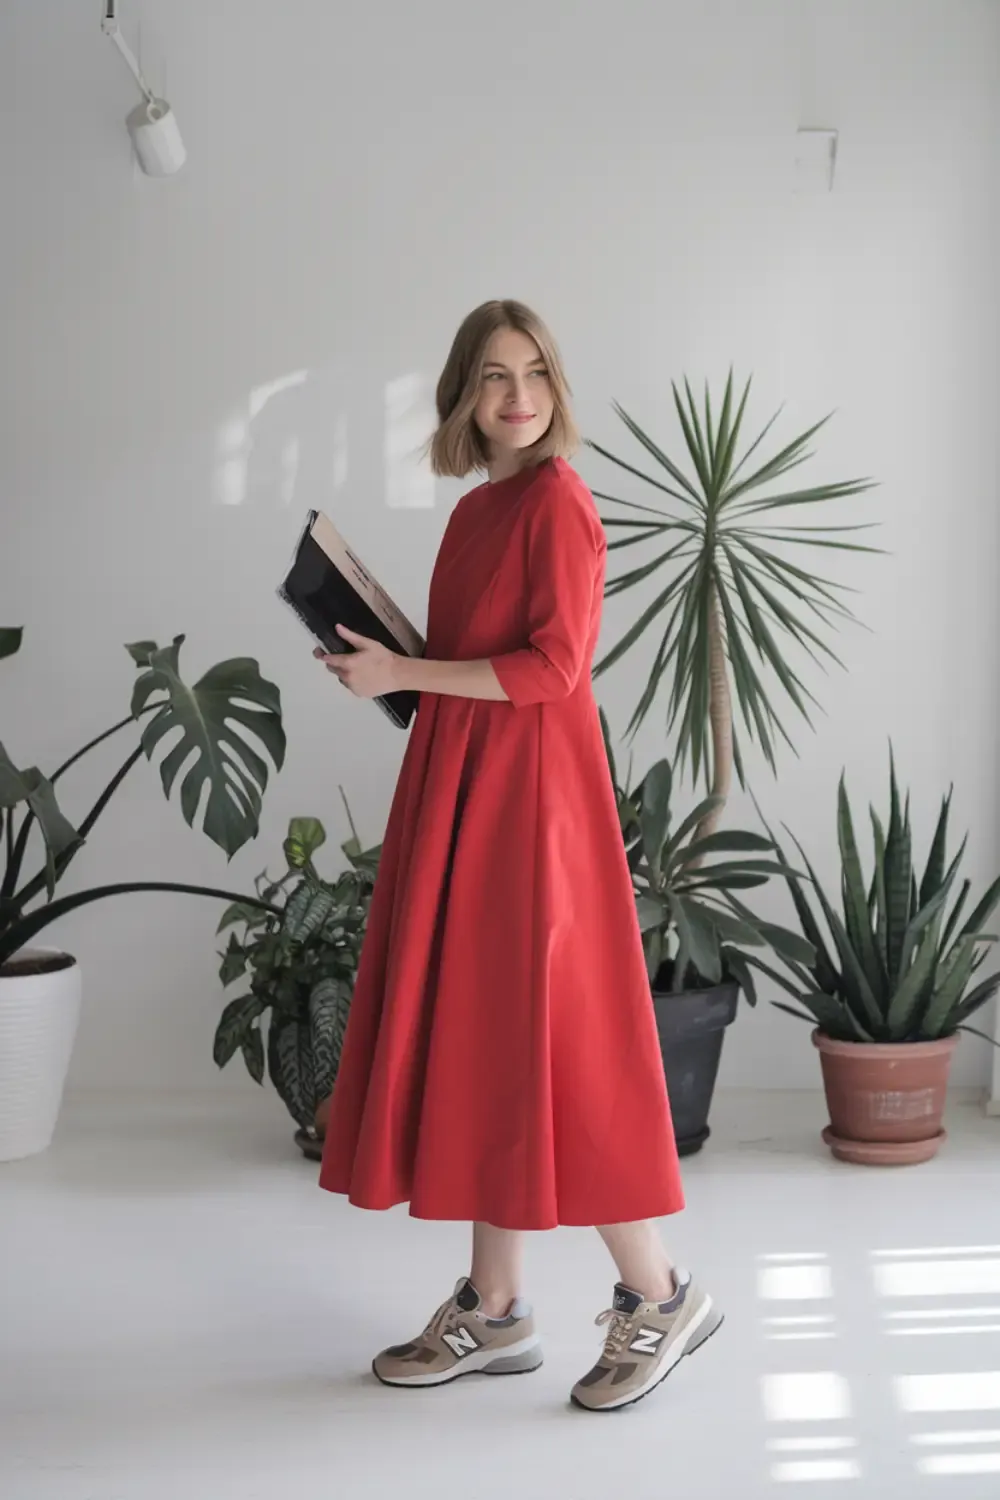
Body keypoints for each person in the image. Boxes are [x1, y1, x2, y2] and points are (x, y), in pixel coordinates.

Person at [315, 299, 722, 1413]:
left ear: (556, 385)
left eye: (534, 372)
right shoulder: (482, 510)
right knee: (498, 1038)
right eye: (493, 377)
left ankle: (659, 1294)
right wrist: (391, 659)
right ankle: (496, 1311)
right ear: (464, 397)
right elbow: (475, 662)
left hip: (536, 813)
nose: (517, 397)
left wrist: (408, 676)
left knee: (552, 1044)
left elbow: (551, 671)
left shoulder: (556, 502)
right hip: (472, 797)